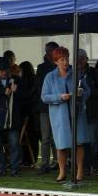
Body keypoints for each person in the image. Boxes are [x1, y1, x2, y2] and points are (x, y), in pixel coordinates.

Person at [41, 47, 91, 184]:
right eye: (62, 59)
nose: (65, 62)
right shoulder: (49, 77)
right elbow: (44, 97)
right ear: (55, 61)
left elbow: (88, 91)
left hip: (77, 113)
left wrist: (82, 94)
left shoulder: (76, 73)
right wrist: (59, 97)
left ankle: (79, 170)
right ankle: (62, 171)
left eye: (67, 58)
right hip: (60, 115)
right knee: (61, 145)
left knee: (79, 142)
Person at [34, 42, 60, 173]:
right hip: (45, 107)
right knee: (45, 137)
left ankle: (58, 161)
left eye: (49, 50)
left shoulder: (61, 66)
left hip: (58, 106)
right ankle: (45, 162)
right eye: (46, 50)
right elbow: (39, 87)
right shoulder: (41, 67)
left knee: (57, 136)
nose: (47, 53)